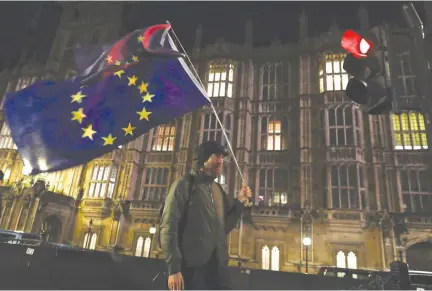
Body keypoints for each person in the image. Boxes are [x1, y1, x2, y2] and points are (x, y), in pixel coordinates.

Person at [159, 140, 252, 290]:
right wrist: (174, 268)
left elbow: (223, 228)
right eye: (217, 156)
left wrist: (240, 203)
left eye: (222, 157)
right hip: (193, 269)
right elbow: (168, 227)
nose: (221, 161)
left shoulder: (218, 190)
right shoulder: (184, 185)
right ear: (204, 159)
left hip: (218, 269)